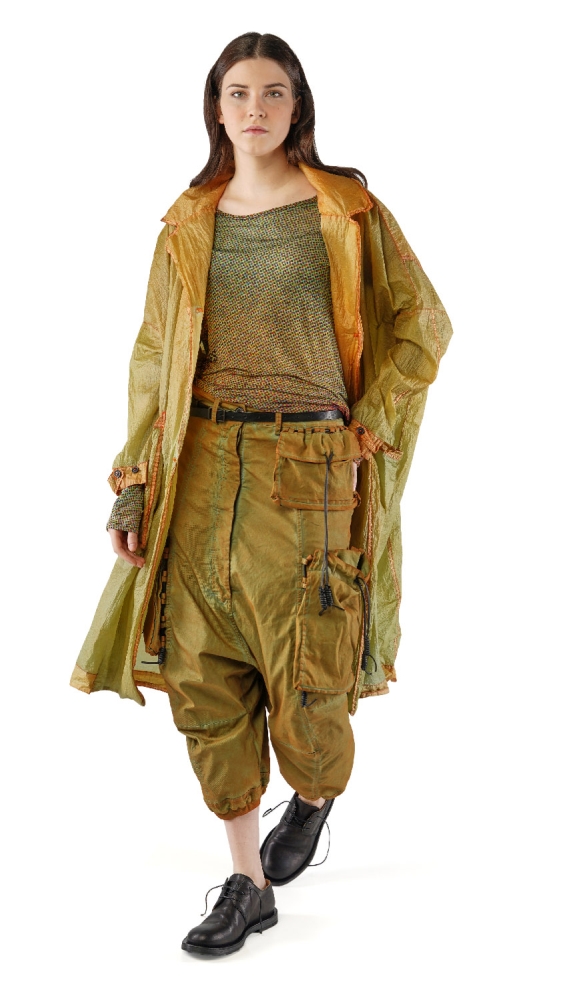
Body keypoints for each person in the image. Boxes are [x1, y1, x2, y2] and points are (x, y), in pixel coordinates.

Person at [71, 31, 453, 958]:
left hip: (309, 465)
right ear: (215, 107)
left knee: (309, 672)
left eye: (272, 92)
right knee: (201, 670)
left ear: (297, 106)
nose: (254, 108)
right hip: (202, 463)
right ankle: (249, 883)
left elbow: (423, 322)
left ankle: (312, 795)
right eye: (237, 92)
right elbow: (155, 356)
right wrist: (133, 486)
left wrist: (370, 422)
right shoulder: (186, 222)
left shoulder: (347, 211)